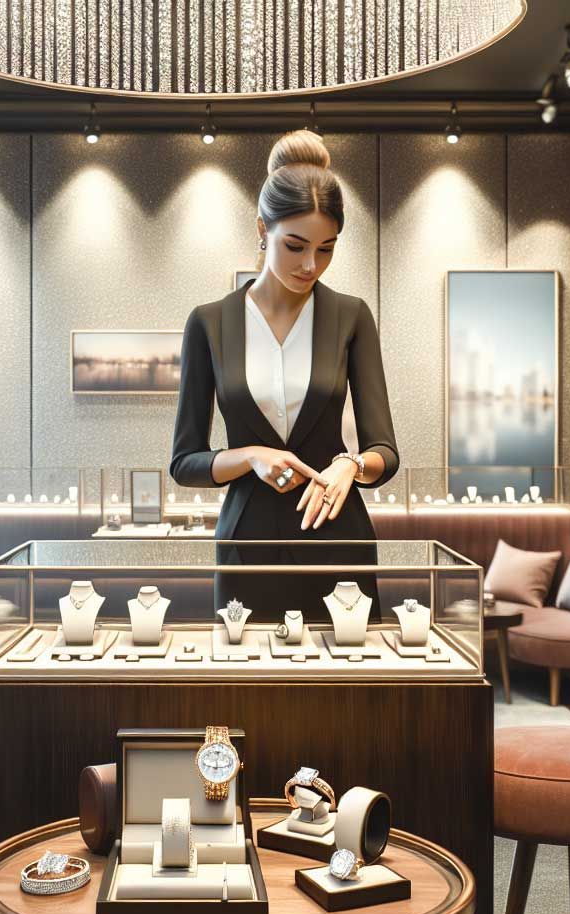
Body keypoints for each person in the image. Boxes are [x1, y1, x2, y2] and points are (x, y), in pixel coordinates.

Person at [169, 129, 400, 620]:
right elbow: (184, 462)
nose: (310, 264)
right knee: (249, 696)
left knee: (347, 695)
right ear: (261, 229)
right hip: (247, 547)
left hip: (338, 540)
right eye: (294, 245)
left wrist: (350, 466)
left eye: (327, 248)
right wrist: (251, 456)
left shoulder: (351, 316)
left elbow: (385, 451)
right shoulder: (210, 323)